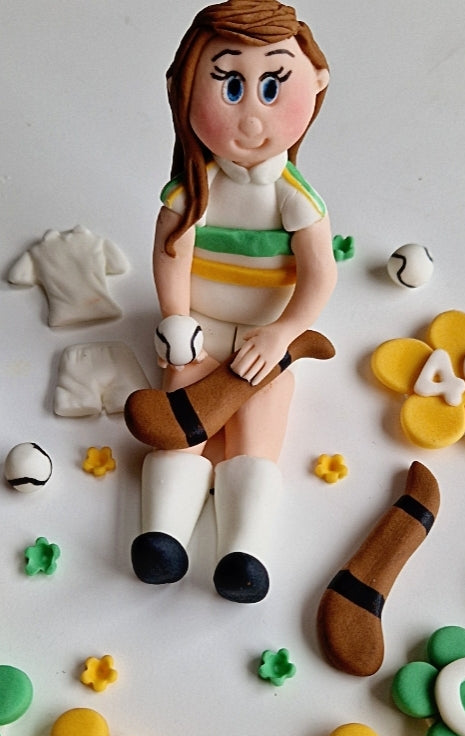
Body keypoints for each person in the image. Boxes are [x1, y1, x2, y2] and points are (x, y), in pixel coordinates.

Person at [131, 0, 337, 602]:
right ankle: (161, 535)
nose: (251, 116)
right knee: (180, 421)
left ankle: (243, 551)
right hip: (198, 326)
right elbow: (172, 255)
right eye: (229, 86)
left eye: (273, 86)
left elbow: (319, 277)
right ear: (184, 89)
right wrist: (175, 317)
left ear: (316, 83)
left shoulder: (296, 200)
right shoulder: (194, 191)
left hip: (264, 333)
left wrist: (282, 333)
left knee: (257, 423)